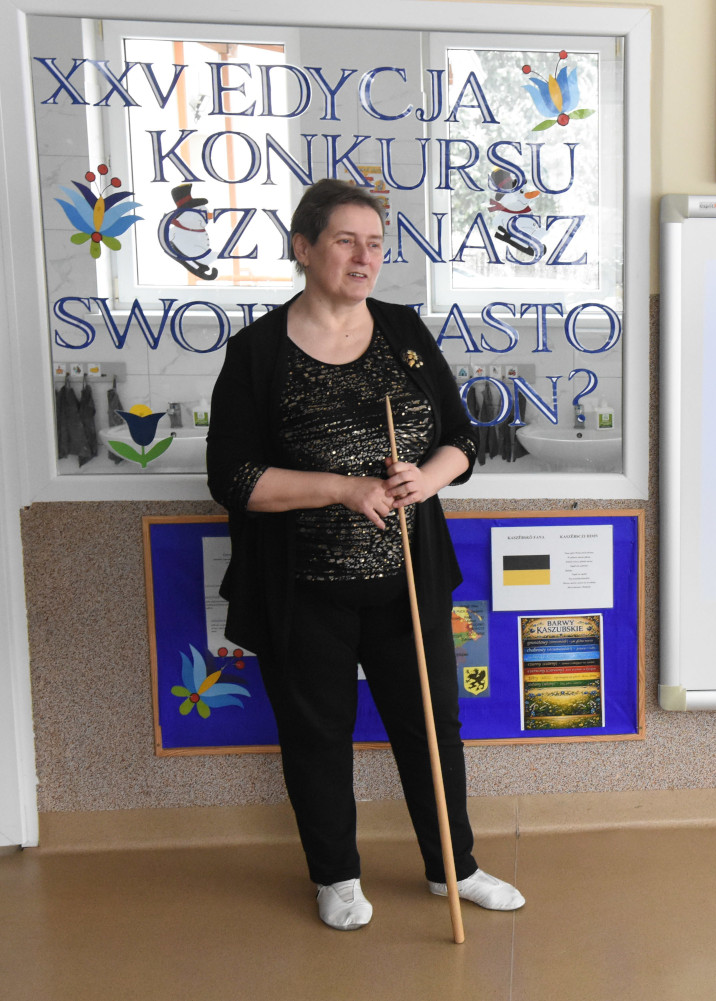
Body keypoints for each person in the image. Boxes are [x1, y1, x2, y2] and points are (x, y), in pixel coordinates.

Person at [206, 179, 523, 931]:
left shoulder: (403, 329)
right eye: (346, 240)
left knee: (432, 726)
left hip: (408, 578)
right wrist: (342, 489)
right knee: (317, 735)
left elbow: (461, 438)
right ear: (304, 247)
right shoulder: (257, 352)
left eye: (375, 243)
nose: (364, 257)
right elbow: (234, 479)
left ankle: (454, 866)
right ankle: (336, 876)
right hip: (304, 587)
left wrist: (428, 476)